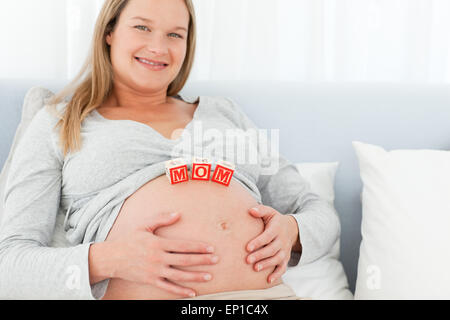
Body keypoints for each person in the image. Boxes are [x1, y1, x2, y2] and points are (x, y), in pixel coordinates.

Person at [0, 0, 340, 300]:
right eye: (142, 27)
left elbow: (319, 214)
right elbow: (8, 265)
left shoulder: (225, 114)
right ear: (110, 32)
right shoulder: (59, 121)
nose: (158, 47)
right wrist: (108, 259)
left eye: (175, 34)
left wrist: (294, 231)